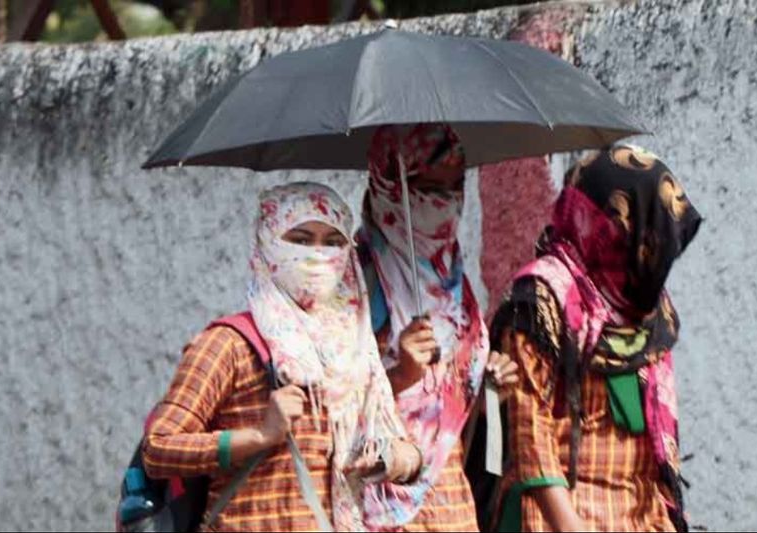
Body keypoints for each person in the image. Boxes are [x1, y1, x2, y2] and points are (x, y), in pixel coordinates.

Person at [141, 182, 422, 532]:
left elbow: (409, 455)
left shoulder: (354, 349)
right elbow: (159, 449)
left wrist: (391, 461)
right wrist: (259, 436)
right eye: (301, 240)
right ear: (268, 243)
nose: (317, 255)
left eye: (332, 242)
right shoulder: (229, 343)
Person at [491, 146, 702, 532]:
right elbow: (530, 435)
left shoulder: (644, 303)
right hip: (560, 510)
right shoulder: (543, 299)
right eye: (647, 245)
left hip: (639, 512)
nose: (654, 262)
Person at [355, 124, 519, 532]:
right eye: (427, 185)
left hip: (448, 499)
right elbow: (323, 403)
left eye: (454, 186)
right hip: (371, 498)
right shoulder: (353, 279)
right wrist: (399, 375)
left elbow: (454, 402)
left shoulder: (455, 287)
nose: (443, 203)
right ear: (389, 184)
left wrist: (490, 386)